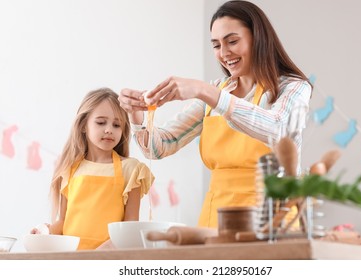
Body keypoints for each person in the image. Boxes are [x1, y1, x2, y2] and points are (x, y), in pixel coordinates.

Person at [118, 0, 312, 228]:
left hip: (273, 220)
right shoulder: (215, 94)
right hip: (217, 219)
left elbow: (278, 129)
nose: (224, 53)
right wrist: (138, 115)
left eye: (232, 41)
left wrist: (206, 91)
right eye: (217, 45)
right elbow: (158, 148)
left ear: (258, 38)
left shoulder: (293, 87)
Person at [31, 88, 154, 250]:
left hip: (108, 258)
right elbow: (62, 222)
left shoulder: (131, 170)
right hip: (72, 259)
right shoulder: (69, 168)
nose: (109, 129)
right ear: (83, 125)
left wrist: (101, 254)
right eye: (101, 122)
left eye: (116, 125)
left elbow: (129, 228)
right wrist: (44, 233)